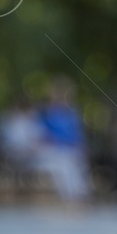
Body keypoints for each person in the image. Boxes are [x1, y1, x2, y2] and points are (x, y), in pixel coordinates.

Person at [34, 76, 90, 205]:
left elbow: (77, 136)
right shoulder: (46, 113)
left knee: (74, 163)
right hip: (53, 151)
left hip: (71, 150)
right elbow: (40, 135)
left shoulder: (72, 114)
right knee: (65, 165)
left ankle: (78, 197)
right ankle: (73, 197)